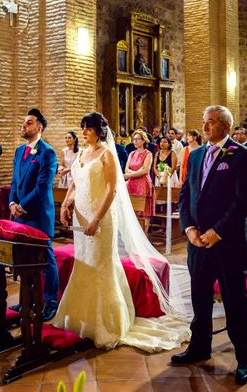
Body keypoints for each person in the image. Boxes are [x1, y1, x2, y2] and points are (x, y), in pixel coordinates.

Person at [56, 112, 189, 351]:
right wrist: (66, 204)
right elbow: (76, 183)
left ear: (99, 131)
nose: (84, 132)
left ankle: (107, 323)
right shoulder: (82, 154)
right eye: (83, 128)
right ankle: (81, 318)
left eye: (88, 128)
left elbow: (111, 190)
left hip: (102, 217)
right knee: (83, 263)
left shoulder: (106, 154)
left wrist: (97, 218)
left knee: (101, 265)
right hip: (81, 215)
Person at [174, 105, 247, 385]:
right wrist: (189, 228)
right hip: (197, 242)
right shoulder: (195, 156)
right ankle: (199, 346)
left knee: (234, 301)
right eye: (204, 121)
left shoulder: (242, 156)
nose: (206, 127)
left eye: (211, 122)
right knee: (199, 296)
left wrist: (216, 231)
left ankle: (244, 357)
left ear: (226, 126)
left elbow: (242, 201)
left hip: (227, 242)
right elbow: (185, 195)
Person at [8, 109, 59, 321]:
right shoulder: (20, 151)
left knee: (46, 260)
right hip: (20, 214)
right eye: (24, 122)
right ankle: (28, 297)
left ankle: (51, 302)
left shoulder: (47, 153)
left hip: (37, 214)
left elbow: (43, 187)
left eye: (29, 123)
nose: (24, 126)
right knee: (24, 259)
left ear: (39, 127)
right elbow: (14, 181)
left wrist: (22, 204)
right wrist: (12, 202)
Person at [124, 129, 154, 222]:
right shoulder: (132, 153)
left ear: (144, 140)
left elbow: (145, 170)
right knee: (132, 210)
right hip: (131, 184)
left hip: (143, 183)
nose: (135, 141)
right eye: (134, 139)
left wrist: (130, 175)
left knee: (144, 211)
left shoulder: (148, 154)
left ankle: (144, 234)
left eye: (138, 139)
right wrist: (133, 173)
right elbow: (126, 169)